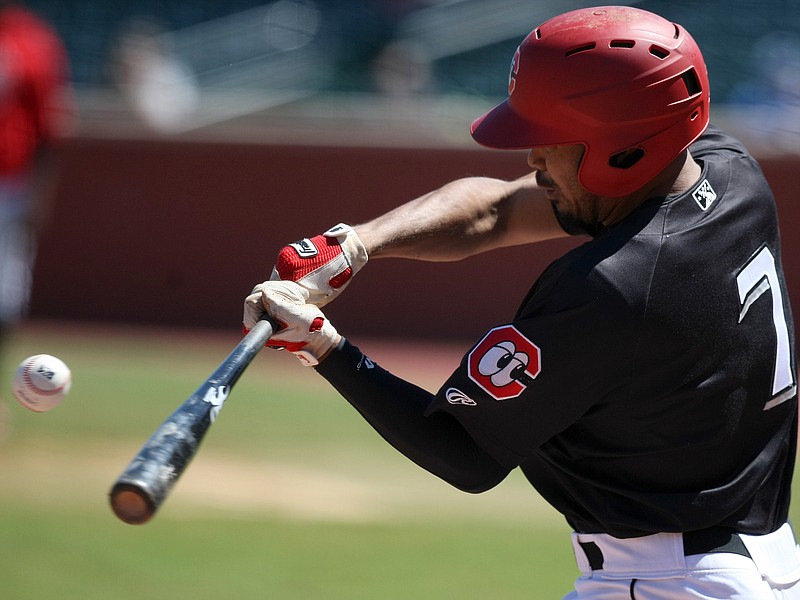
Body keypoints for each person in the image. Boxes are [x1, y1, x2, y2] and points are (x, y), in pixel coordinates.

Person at [243, 6, 799, 599]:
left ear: (624, 149)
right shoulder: (728, 170)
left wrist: (323, 346)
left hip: (664, 582)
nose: (531, 158)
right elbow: (497, 211)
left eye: (551, 141)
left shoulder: (614, 287)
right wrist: (356, 244)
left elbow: (463, 453)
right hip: (754, 562)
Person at [0, 2, 73, 414]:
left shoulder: (32, 40)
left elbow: (50, 125)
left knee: (4, 296)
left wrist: (39, 194)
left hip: (9, 185)